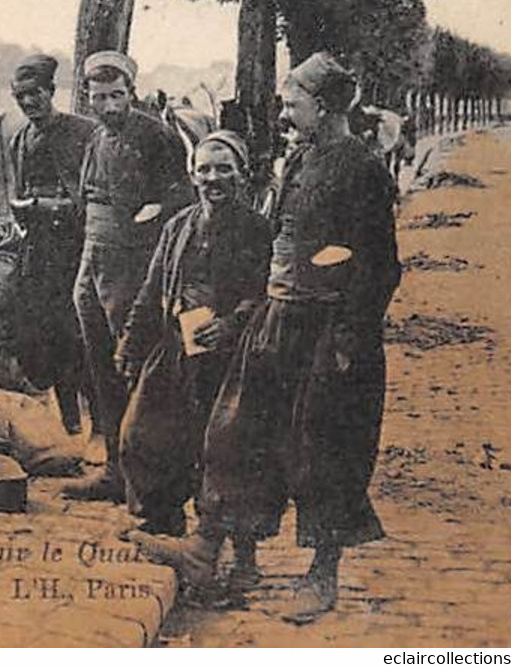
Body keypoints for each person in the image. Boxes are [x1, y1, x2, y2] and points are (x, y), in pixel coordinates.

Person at [130, 53, 401, 625]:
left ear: (324, 107)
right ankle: (205, 550)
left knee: (322, 453)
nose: (284, 112)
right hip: (277, 319)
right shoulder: (300, 158)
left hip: (328, 329)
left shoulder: (362, 169)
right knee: (232, 432)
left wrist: (349, 337)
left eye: (293, 103)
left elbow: (377, 265)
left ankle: (321, 577)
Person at [114, 131, 271, 548]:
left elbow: (264, 292)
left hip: (229, 359)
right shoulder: (177, 226)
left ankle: (239, 554)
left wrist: (232, 324)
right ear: (192, 175)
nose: (213, 178)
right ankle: (162, 522)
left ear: (241, 174)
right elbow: (151, 291)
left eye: (224, 169)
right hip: (176, 348)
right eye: (204, 169)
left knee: (225, 451)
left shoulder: (256, 230)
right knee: (140, 433)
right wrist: (131, 343)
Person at [65, 49, 193, 501]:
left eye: (117, 96)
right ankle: (114, 472)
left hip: (135, 264)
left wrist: (157, 208)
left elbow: (184, 195)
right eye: (99, 98)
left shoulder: (157, 136)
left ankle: (146, 478)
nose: (109, 107)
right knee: (98, 363)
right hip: (93, 261)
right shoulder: (96, 139)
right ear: (89, 98)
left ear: (131, 93)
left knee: (133, 362)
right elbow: (86, 198)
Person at [0, 54, 97, 435]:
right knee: (43, 334)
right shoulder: (21, 138)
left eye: (35, 94)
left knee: (78, 334)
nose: (28, 103)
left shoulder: (82, 132)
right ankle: (67, 419)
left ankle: (96, 425)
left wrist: (45, 207)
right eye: (20, 96)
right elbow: (21, 190)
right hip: (39, 252)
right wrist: (23, 210)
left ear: (51, 92)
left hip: (76, 249)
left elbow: (89, 196)